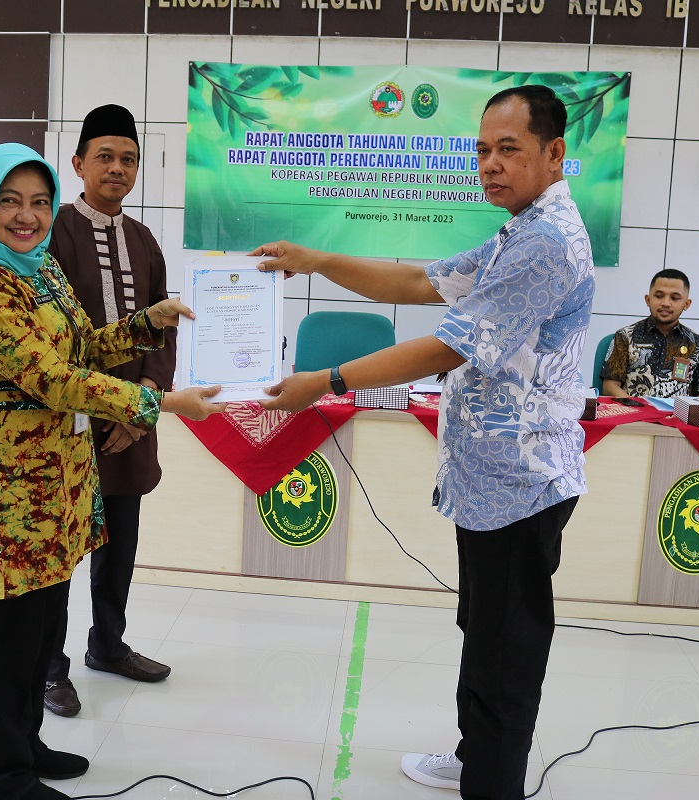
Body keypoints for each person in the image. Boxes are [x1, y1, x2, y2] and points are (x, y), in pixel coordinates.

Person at [253, 85, 593, 800]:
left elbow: (447, 348)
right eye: (482, 149)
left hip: (521, 485)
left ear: (554, 153)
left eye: (509, 150)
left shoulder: (544, 241)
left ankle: (491, 782)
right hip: (493, 483)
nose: (490, 165)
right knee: (487, 633)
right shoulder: (518, 229)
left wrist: (328, 379)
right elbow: (418, 280)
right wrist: (317, 260)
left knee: (507, 655)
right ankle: (477, 761)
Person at [0, 143, 224, 800]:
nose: (26, 216)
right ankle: (1, 775)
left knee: (43, 626)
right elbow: (53, 378)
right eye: (9, 201)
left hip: (60, 478)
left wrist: (146, 324)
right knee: (9, 636)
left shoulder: (40, 271)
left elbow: (85, 347)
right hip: (10, 482)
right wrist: (160, 403)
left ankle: (28, 745)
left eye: (38, 202)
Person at [42, 105, 174, 719]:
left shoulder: (144, 241)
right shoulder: (54, 234)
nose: (117, 169)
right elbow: (51, 339)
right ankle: (49, 666)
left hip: (131, 425)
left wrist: (139, 411)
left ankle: (108, 645)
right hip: (68, 421)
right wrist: (101, 408)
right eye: (105, 157)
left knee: (119, 541)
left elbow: (161, 332)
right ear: (78, 164)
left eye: (128, 159)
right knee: (61, 545)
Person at [599, 268, 699, 398]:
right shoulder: (625, 336)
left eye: (675, 298)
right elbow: (610, 386)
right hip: (633, 414)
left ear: (686, 304)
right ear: (648, 300)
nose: (666, 303)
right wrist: (635, 408)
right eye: (659, 296)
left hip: (679, 416)